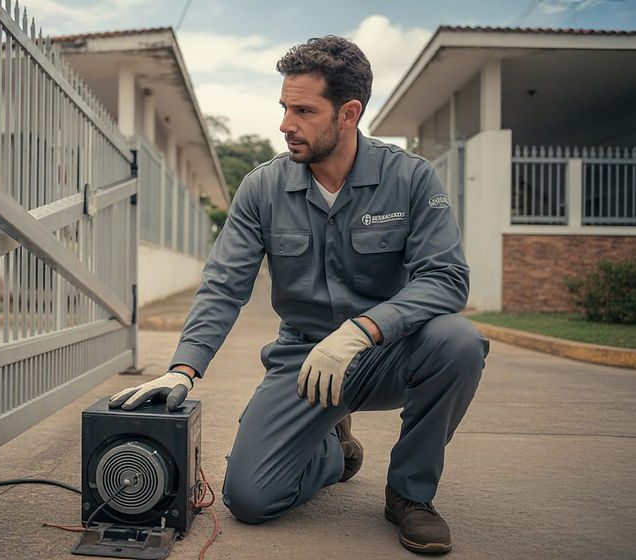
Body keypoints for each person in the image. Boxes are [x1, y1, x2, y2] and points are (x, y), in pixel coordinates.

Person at [108, 35, 490, 555]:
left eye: (304, 110)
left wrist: (363, 329)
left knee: (459, 342)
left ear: (349, 113)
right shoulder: (262, 189)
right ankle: (334, 451)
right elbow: (223, 286)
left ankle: (409, 496)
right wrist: (185, 367)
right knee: (250, 498)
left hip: (390, 354)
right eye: (284, 107)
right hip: (304, 360)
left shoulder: (412, 179)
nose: (286, 123)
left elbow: (446, 278)